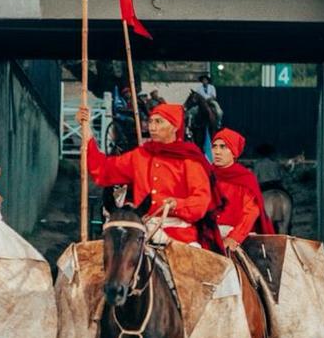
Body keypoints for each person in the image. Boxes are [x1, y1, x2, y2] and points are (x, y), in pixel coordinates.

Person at [82, 101, 220, 247]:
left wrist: (177, 204)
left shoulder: (190, 160)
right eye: (151, 121)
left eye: (159, 122)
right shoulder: (140, 155)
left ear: (175, 126)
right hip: (140, 230)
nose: (152, 127)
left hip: (178, 235)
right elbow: (103, 170)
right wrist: (86, 130)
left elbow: (201, 201)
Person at [211, 128, 275, 251]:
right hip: (209, 235)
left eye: (223, 147)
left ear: (234, 152)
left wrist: (234, 237)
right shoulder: (205, 173)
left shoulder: (246, 178)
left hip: (236, 238)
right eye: (214, 146)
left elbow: (250, 212)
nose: (217, 152)